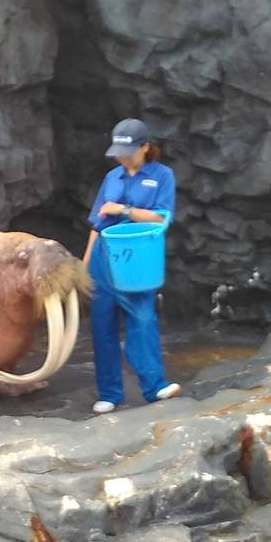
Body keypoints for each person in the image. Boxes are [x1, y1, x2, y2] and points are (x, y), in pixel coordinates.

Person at [81, 117, 179, 414]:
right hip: (104, 256)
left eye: (128, 151)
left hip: (137, 255)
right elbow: (97, 224)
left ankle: (154, 386)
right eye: (118, 152)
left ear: (145, 147)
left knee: (143, 316)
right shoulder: (112, 178)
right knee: (102, 324)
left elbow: (162, 217)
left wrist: (124, 210)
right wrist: (84, 265)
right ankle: (109, 393)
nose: (122, 157)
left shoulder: (162, 176)